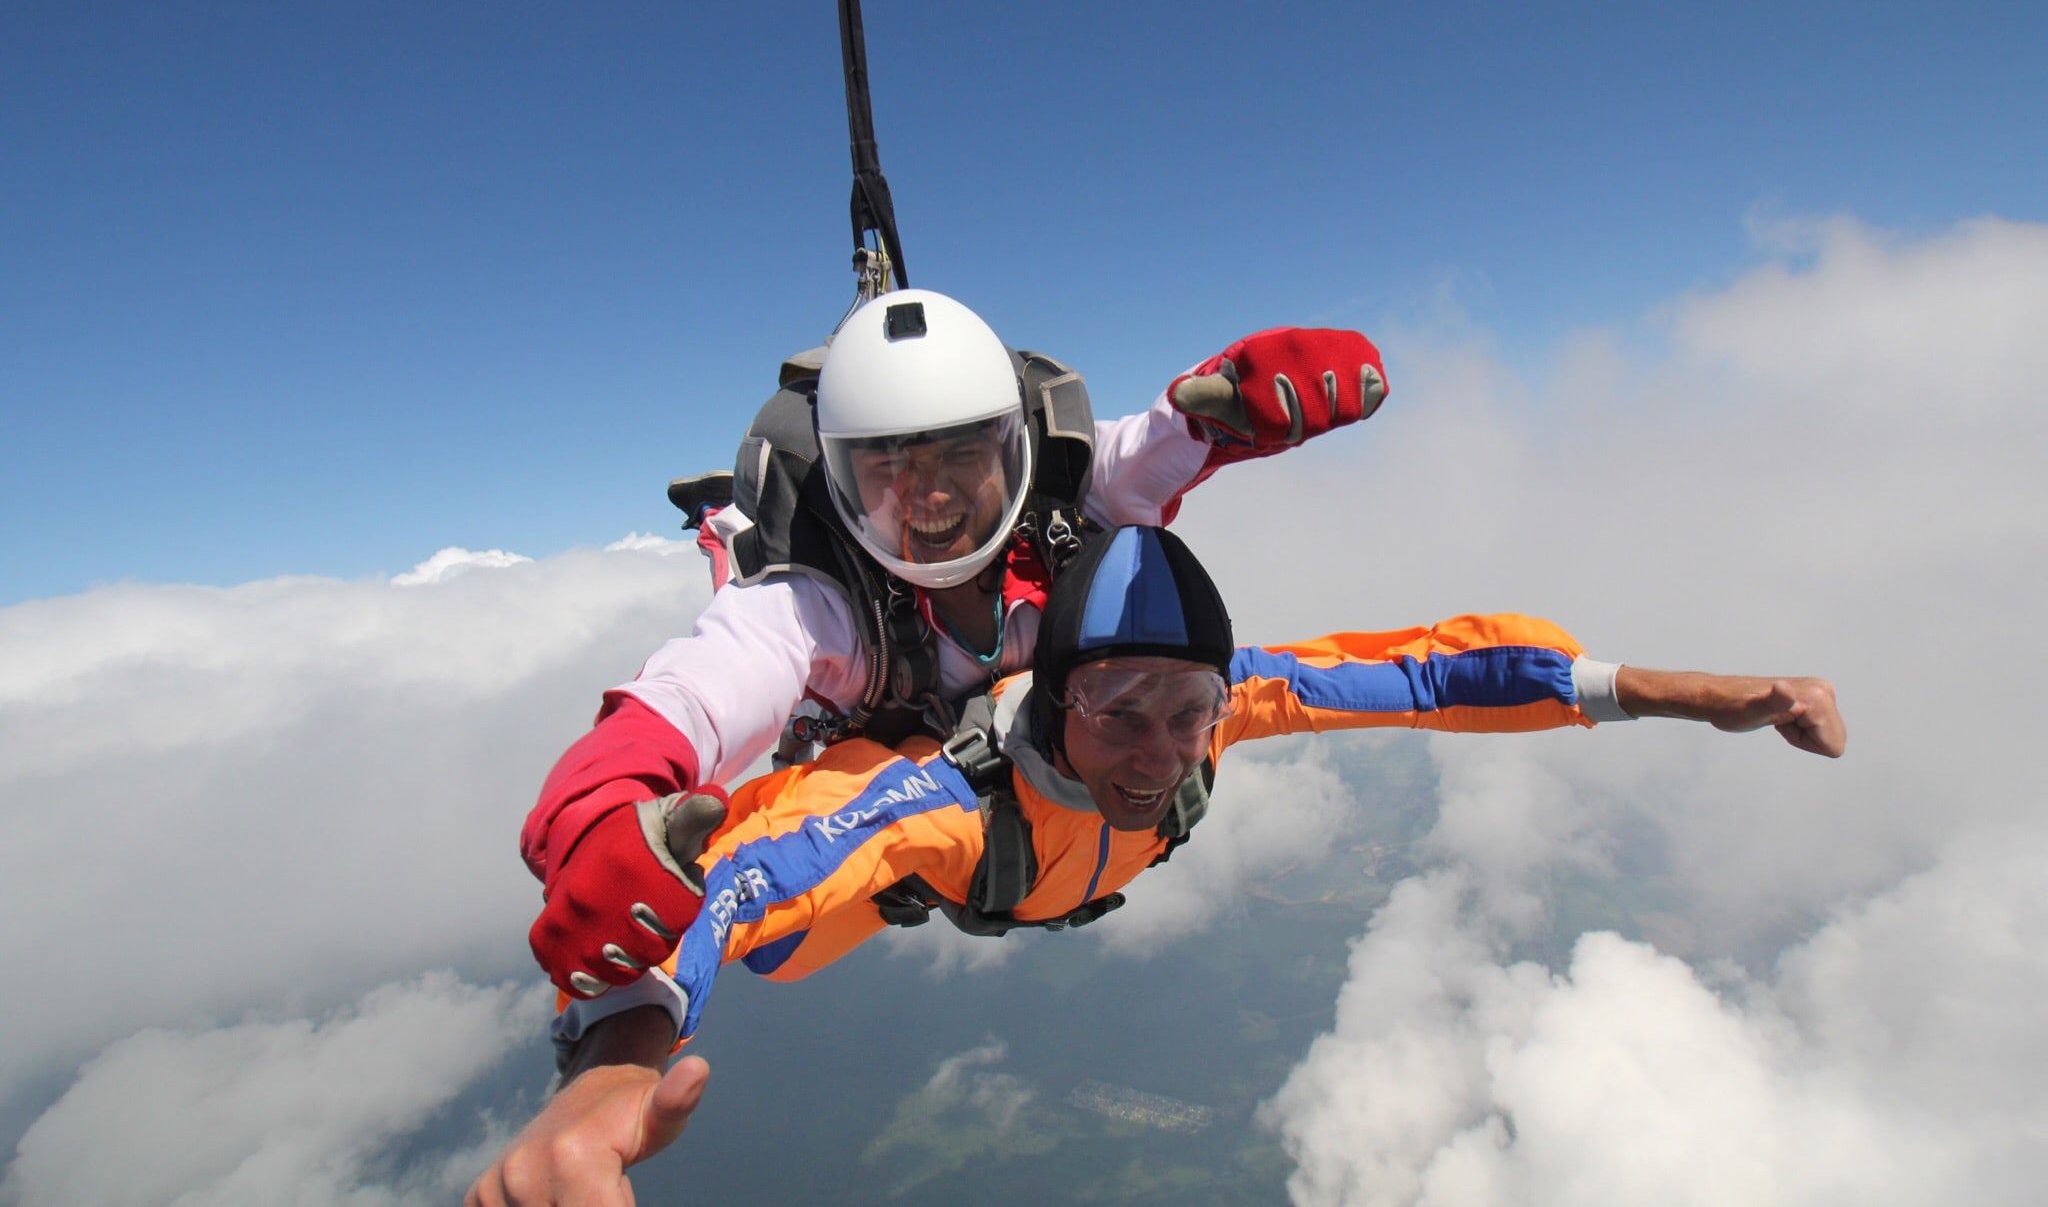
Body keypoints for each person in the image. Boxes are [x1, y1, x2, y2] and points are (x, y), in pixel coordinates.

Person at [467, 525, 1845, 1206]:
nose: (1160, 750)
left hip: (1010, 863)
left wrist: (1701, 691)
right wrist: (615, 1062)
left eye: (1190, 710)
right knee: (774, 909)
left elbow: (1440, 666)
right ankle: (742, 560)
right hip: (900, 859)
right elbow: (743, 890)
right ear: (1050, 691)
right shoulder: (929, 806)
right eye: (1120, 707)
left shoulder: (1220, 710)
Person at [522, 290, 1390, 1000]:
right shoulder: (817, 608)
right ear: (842, 479)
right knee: (775, 951)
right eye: (887, 470)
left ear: (1011, 449)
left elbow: (1156, 445)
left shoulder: (1064, 500)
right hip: (902, 770)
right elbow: (694, 691)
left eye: (961, 454)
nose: (927, 496)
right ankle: (726, 524)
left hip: (1001, 770)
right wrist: (595, 809)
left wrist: (1237, 403)